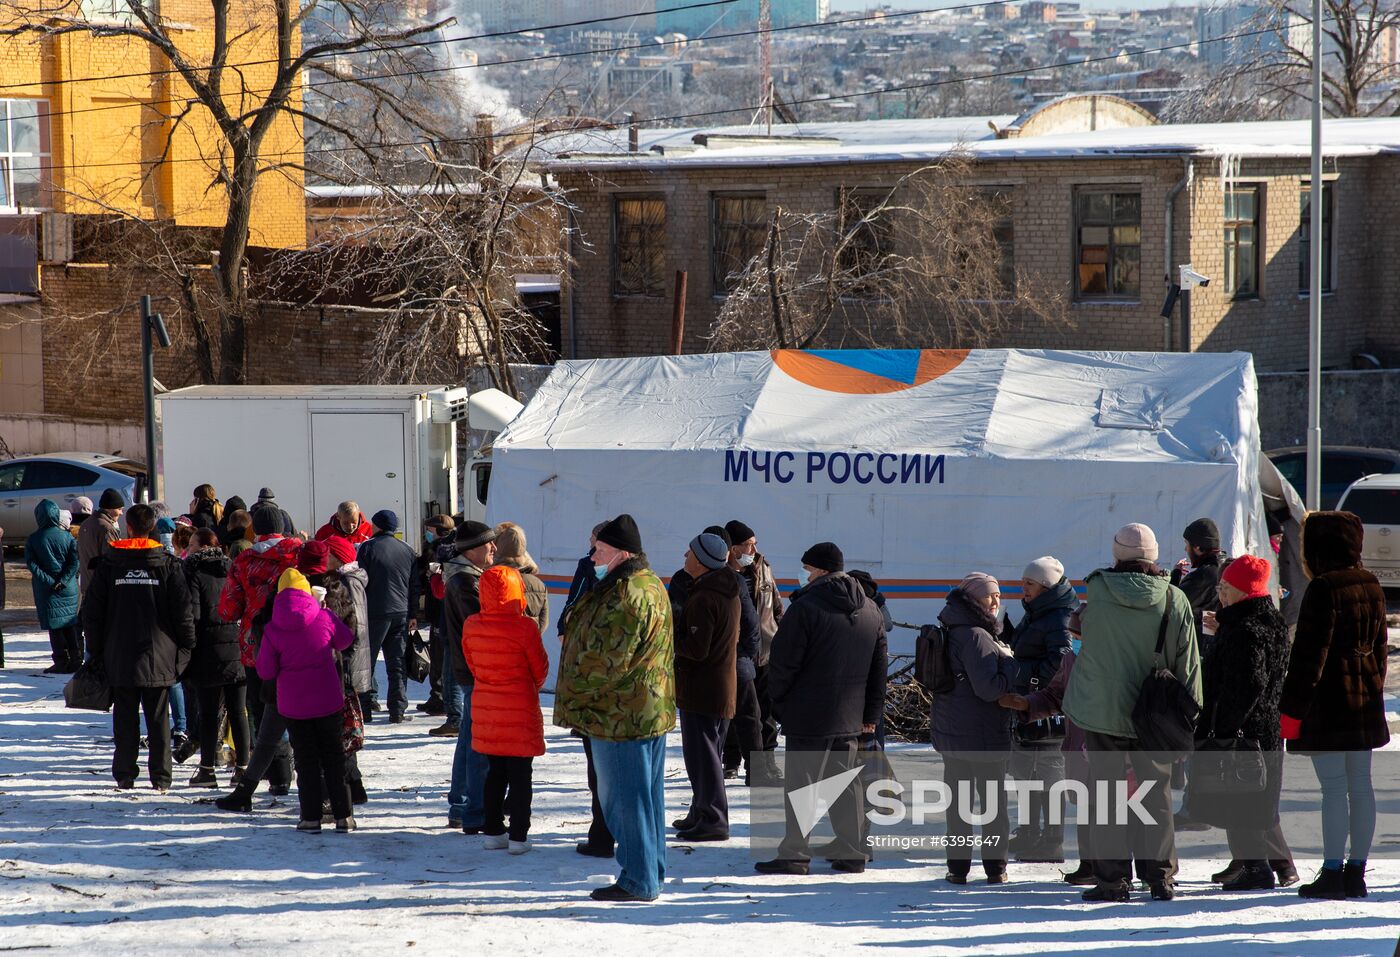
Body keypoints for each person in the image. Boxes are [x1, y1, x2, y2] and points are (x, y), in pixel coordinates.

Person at [1062, 523, 1200, 903]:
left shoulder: (1096, 598)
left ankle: (1112, 881)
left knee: (1106, 797)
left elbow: (1084, 658)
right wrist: (1189, 714)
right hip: (1156, 716)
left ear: (1117, 555)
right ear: (1154, 556)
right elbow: (1188, 664)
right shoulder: (1175, 600)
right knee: (1155, 796)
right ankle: (1160, 878)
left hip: (1102, 712)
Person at [556, 514, 676, 902]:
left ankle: (639, 879)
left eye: (600, 548)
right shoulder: (646, 583)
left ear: (622, 553)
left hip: (619, 714)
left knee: (625, 801)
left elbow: (606, 660)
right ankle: (649, 870)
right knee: (645, 799)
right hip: (642, 709)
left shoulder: (627, 592)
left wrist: (575, 695)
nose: (592, 554)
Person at [757, 542, 886, 877]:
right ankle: (853, 851)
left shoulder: (806, 607)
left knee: (803, 786)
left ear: (820, 570)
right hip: (852, 718)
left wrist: (780, 705)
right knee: (847, 785)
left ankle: (795, 854)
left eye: (806, 567)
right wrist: (870, 716)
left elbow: (783, 664)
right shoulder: (871, 610)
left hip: (808, 715)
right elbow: (878, 670)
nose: (803, 574)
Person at [1280, 510, 1390, 900]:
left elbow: (1309, 658)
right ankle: (1356, 871)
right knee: (1361, 787)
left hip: (1328, 705)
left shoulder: (1324, 587)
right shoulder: (1371, 583)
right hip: (1362, 702)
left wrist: (1291, 710)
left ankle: (1331, 870)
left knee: (1333, 790)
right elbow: (1380, 652)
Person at [1196, 554, 1296, 891]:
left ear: (1243, 590)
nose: (1220, 594)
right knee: (1255, 796)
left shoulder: (1246, 629)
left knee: (1244, 797)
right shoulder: (1265, 620)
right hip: (1264, 726)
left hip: (1246, 730)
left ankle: (1257, 869)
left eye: (1225, 588)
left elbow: (1248, 682)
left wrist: (1224, 724)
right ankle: (1261, 865)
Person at [82, 503, 195, 791]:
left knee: (125, 718)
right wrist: (186, 647)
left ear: (128, 527)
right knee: (158, 720)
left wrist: (96, 651)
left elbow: (92, 612)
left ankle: (125, 773)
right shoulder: (167, 564)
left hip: (119, 653)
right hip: (159, 653)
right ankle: (160, 778)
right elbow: (183, 612)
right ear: (152, 528)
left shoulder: (110, 565)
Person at [1000, 601, 1095, 886]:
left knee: (1108, 807)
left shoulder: (1113, 661)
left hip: (1108, 743)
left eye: (1079, 638)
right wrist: (1026, 703)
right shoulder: (1070, 658)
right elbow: (1054, 694)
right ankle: (1090, 863)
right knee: (1085, 804)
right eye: (1073, 638)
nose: (1074, 643)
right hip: (1077, 742)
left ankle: (1116, 869)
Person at [932, 572, 1018, 884]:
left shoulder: (953, 627)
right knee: (993, 809)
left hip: (953, 731)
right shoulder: (976, 636)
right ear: (972, 599)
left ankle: (957, 869)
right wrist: (1010, 663)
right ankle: (996, 869)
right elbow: (989, 689)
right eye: (988, 596)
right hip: (981, 735)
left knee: (959, 808)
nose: (995, 601)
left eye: (997, 595)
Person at [256, 568, 357, 833]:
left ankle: (310, 817)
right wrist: (327, 612)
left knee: (305, 759)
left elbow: (265, 671)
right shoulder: (323, 617)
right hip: (328, 699)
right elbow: (346, 641)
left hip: (294, 705)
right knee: (334, 757)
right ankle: (343, 816)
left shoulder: (273, 628)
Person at [462, 565, 549, 855]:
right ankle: (519, 836)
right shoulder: (525, 627)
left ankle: (493, 830)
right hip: (519, 707)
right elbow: (540, 669)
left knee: (494, 772)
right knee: (521, 775)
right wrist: (526, 685)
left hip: (487, 707)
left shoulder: (472, 624)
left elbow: (473, 664)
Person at [217, 507, 303, 799]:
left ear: (257, 529)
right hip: (298, 644)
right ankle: (303, 773)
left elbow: (228, 609)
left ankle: (277, 777)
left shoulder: (244, 559)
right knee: (301, 709)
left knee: (264, 711)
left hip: (256, 647)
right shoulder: (298, 554)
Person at [1006, 556, 1075, 864]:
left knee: (1048, 778)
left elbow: (1060, 666)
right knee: (1026, 774)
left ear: (1046, 586)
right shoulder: (1036, 613)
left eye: (1029, 583)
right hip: (1028, 706)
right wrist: (1005, 632)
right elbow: (1026, 648)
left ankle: (1051, 840)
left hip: (1048, 712)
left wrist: (1018, 671)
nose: (1024, 588)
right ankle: (1030, 831)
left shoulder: (1059, 617)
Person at [673, 532, 741, 842]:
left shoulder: (705, 597)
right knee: (705, 755)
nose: (684, 557)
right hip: (717, 686)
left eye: (689, 553)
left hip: (703, 688)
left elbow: (697, 649)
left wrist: (669, 640)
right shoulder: (725, 590)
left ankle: (712, 818)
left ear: (701, 561)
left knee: (705, 758)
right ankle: (701, 811)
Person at [558, 521, 615, 859]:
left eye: (594, 541)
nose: (591, 548)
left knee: (601, 770)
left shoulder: (589, 567)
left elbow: (573, 606)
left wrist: (568, 628)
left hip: (594, 683)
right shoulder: (640, 582)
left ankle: (603, 835)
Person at [441, 520, 497, 832]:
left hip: (471, 667)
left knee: (469, 735)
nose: (494, 549)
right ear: (473, 549)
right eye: (489, 544)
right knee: (474, 739)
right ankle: (463, 803)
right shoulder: (465, 582)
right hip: (474, 669)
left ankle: (461, 802)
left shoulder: (469, 577)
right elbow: (484, 624)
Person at [184, 528, 249, 789]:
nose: (188, 549)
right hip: (239, 647)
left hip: (208, 650)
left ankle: (207, 771)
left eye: (191, 544)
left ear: (201, 547)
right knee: (238, 711)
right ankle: (243, 768)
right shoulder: (235, 568)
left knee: (209, 712)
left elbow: (194, 617)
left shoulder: (194, 573)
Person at [312, 536, 372, 805]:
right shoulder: (354, 580)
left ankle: (347, 789)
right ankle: (355, 786)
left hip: (344, 665)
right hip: (350, 663)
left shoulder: (343, 583)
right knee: (345, 731)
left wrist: (342, 657)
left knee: (340, 732)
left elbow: (351, 629)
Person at [726, 519, 784, 756]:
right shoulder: (723, 574)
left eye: (755, 544)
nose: (754, 551)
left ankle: (766, 758)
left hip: (765, 650)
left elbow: (777, 607)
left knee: (766, 712)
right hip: (737, 654)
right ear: (734, 549)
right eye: (749, 545)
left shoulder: (763, 568)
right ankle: (731, 759)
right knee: (735, 711)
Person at [357, 509, 418, 723]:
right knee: (397, 662)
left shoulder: (367, 548)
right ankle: (397, 710)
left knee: (367, 662)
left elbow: (361, 582)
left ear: (378, 526)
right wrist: (413, 614)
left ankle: (365, 710)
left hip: (374, 612)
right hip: (400, 612)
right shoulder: (407, 551)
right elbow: (414, 585)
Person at [409, 514, 455, 727]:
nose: (426, 533)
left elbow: (432, 580)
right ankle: (436, 696)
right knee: (439, 654)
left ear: (436, 530)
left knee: (438, 654)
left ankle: (439, 697)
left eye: (428, 529)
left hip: (439, 609)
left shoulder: (439, 550)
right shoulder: (453, 546)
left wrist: (429, 574)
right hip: (443, 609)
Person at [25, 499, 82, 674]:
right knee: (70, 625)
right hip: (68, 588)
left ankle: (61, 660)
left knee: (55, 627)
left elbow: (32, 565)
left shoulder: (34, 539)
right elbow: (75, 562)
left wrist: (50, 582)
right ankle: (76, 659)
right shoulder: (67, 536)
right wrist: (63, 580)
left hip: (47, 590)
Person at [78, 488, 124, 595]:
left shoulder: (86, 524)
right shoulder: (107, 529)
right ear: (110, 509)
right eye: (120, 509)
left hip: (87, 584)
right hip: (101, 588)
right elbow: (112, 560)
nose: (121, 513)